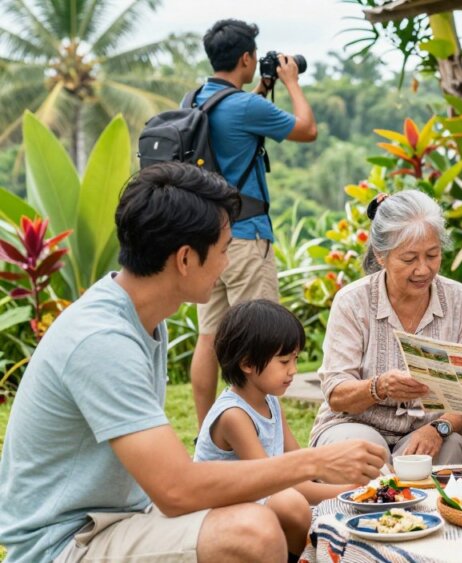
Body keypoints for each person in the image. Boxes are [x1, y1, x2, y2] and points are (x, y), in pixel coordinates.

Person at [0, 162, 386, 563]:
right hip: (64, 543)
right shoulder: (102, 339)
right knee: (252, 533)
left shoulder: (140, 319)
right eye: (223, 250)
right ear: (185, 259)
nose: (227, 263)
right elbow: (176, 489)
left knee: (265, 513)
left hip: (120, 517)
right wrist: (318, 460)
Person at [190, 19, 318, 430]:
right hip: (247, 239)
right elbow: (307, 130)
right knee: (263, 338)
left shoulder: (196, 100)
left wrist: (263, 87)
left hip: (208, 240)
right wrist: (292, 81)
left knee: (210, 336)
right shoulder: (246, 107)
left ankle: (205, 431)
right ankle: (264, 433)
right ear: (246, 58)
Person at [309, 190, 462, 465]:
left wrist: (439, 428)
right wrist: (379, 387)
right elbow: (336, 394)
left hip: (428, 430)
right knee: (367, 452)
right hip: (353, 425)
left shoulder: (461, 301)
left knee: (449, 448)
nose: (423, 269)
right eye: (409, 259)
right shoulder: (353, 301)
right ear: (381, 255)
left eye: (432, 255)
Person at [194, 299, 358, 556]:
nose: (293, 370)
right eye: (284, 362)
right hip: (227, 506)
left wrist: (352, 480)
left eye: (295, 359)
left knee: (324, 488)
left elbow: (297, 463)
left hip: (264, 493)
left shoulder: (269, 400)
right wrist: (346, 494)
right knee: (291, 503)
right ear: (247, 364)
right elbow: (273, 482)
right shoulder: (234, 416)